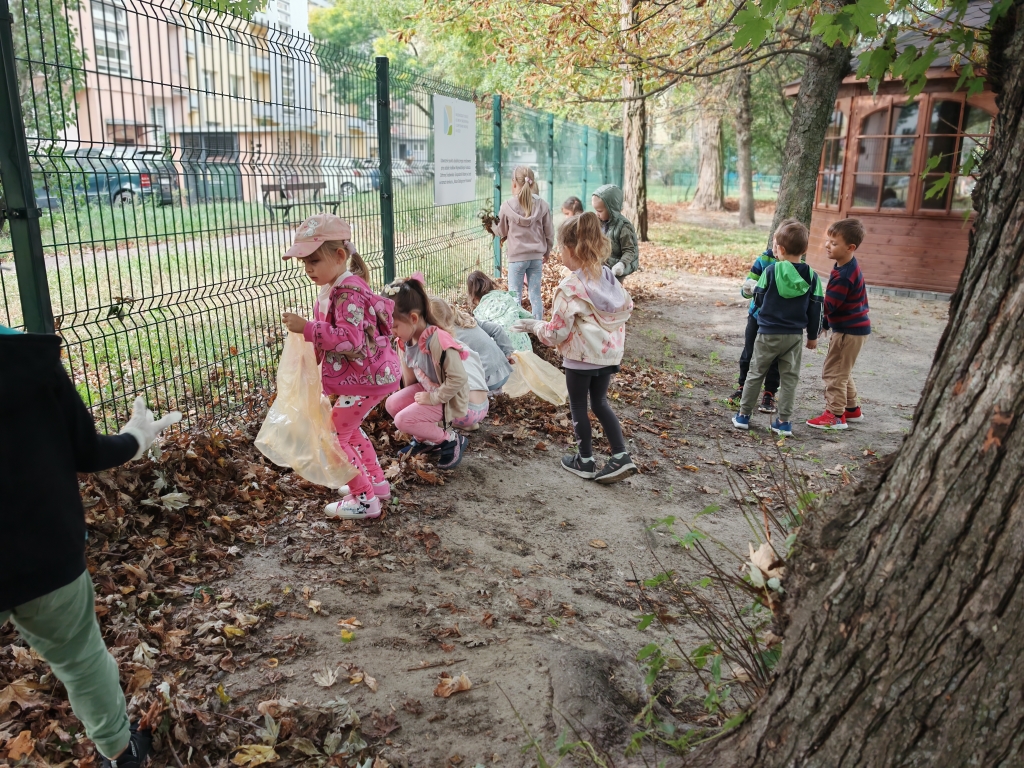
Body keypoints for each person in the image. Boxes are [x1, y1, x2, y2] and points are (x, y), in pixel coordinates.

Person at [1, 324, 181, 768]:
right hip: (47, 548)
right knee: (81, 657)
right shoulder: (27, 356)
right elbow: (86, 450)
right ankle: (120, 752)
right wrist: (136, 438)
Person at [281, 213, 400, 520]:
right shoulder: (338, 286)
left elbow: (350, 340)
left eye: (314, 261)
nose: (308, 269)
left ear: (339, 256)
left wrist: (307, 329)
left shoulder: (347, 292)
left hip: (365, 378)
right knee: (347, 431)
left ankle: (364, 499)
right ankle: (376, 483)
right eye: (304, 262)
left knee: (334, 437)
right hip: (369, 376)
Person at [513, 212, 636, 484]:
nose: (559, 253)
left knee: (579, 405)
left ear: (572, 249)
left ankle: (585, 459)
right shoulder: (607, 276)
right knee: (600, 402)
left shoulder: (571, 287)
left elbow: (557, 333)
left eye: (561, 248)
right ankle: (620, 455)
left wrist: (535, 326)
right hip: (607, 354)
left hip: (580, 357)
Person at [732, 219, 823, 437]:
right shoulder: (812, 276)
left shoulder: (770, 270)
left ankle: (744, 416)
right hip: (794, 337)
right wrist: (813, 335)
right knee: (790, 378)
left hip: (767, 333)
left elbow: (759, 298)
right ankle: (784, 422)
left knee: (756, 373)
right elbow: (817, 307)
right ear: (805, 249)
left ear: (779, 249)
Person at [383, 276, 470, 469]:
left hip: (448, 397)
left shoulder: (438, 340)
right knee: (392, 403)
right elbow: (411, 381)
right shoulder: (405, 341)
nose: (391, 331)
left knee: (402, 420)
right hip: (429, 391)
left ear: (413, 318)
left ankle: (451, 440)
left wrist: (433, 399)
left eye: (394, 326)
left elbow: (458, 379)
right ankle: (425, 441)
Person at [807, 218, 871, 430]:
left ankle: (835, 415)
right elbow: (835, 305)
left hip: (848, 332)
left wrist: (818, 321)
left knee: (834, 372)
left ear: (850, 247)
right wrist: (827, 322)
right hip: (854, 329)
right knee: (843, 370)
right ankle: (851, 409)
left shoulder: (843, 275)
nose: (827, 245)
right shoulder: (847, 266)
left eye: (834, 243)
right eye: (828, 240)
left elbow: (830, 305)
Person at [488, 165, 554, 320]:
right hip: (536, 258)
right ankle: (538, 327)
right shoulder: (542, 205)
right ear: (532, 183)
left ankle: (517, 330)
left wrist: (491, 226)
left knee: (515, 295)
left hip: (516, 260)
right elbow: (549, 232)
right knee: (535, 294)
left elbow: (502, 231)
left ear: (514, 183)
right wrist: (547, 250)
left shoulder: (507, 206)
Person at [430, 298, 492, 431]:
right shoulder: (460, 344)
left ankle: (444, 422)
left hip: (465, 411)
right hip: (483, 407)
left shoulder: (437, 347)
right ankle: (469, 423)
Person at [733, 247, 781, 412]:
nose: (776, 249)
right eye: (774, 245)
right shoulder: (764, 260)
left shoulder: (797, 266)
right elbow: (747, 287)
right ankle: (742, 387)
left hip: (778, 321)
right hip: (757, 316)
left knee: (775, 358)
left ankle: (769, 393)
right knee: (749, 351)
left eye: (779, 246)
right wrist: (747, 289)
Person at [431, 298, 514, 393]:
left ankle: (483, 398)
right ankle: (495, 395)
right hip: (504, 369)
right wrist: (507, 353)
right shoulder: (468, 320)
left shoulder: (447, 335)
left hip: (488, 378)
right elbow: (497, 328)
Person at [467, 270, 534, 352]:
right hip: (525, 349)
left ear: (473, 295)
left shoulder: (479, 313)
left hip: (503, 354)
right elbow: (528, 317)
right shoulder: (506, 298)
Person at [590, 184, 638, 280]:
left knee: (615, 290)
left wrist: (621, 264)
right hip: (601, 265)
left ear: (612, 209)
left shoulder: (624, 227)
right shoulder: (599, 222)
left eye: (599, 210)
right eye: (595, 210)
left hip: (617, 268)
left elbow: (629, 250)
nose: (597, 214)